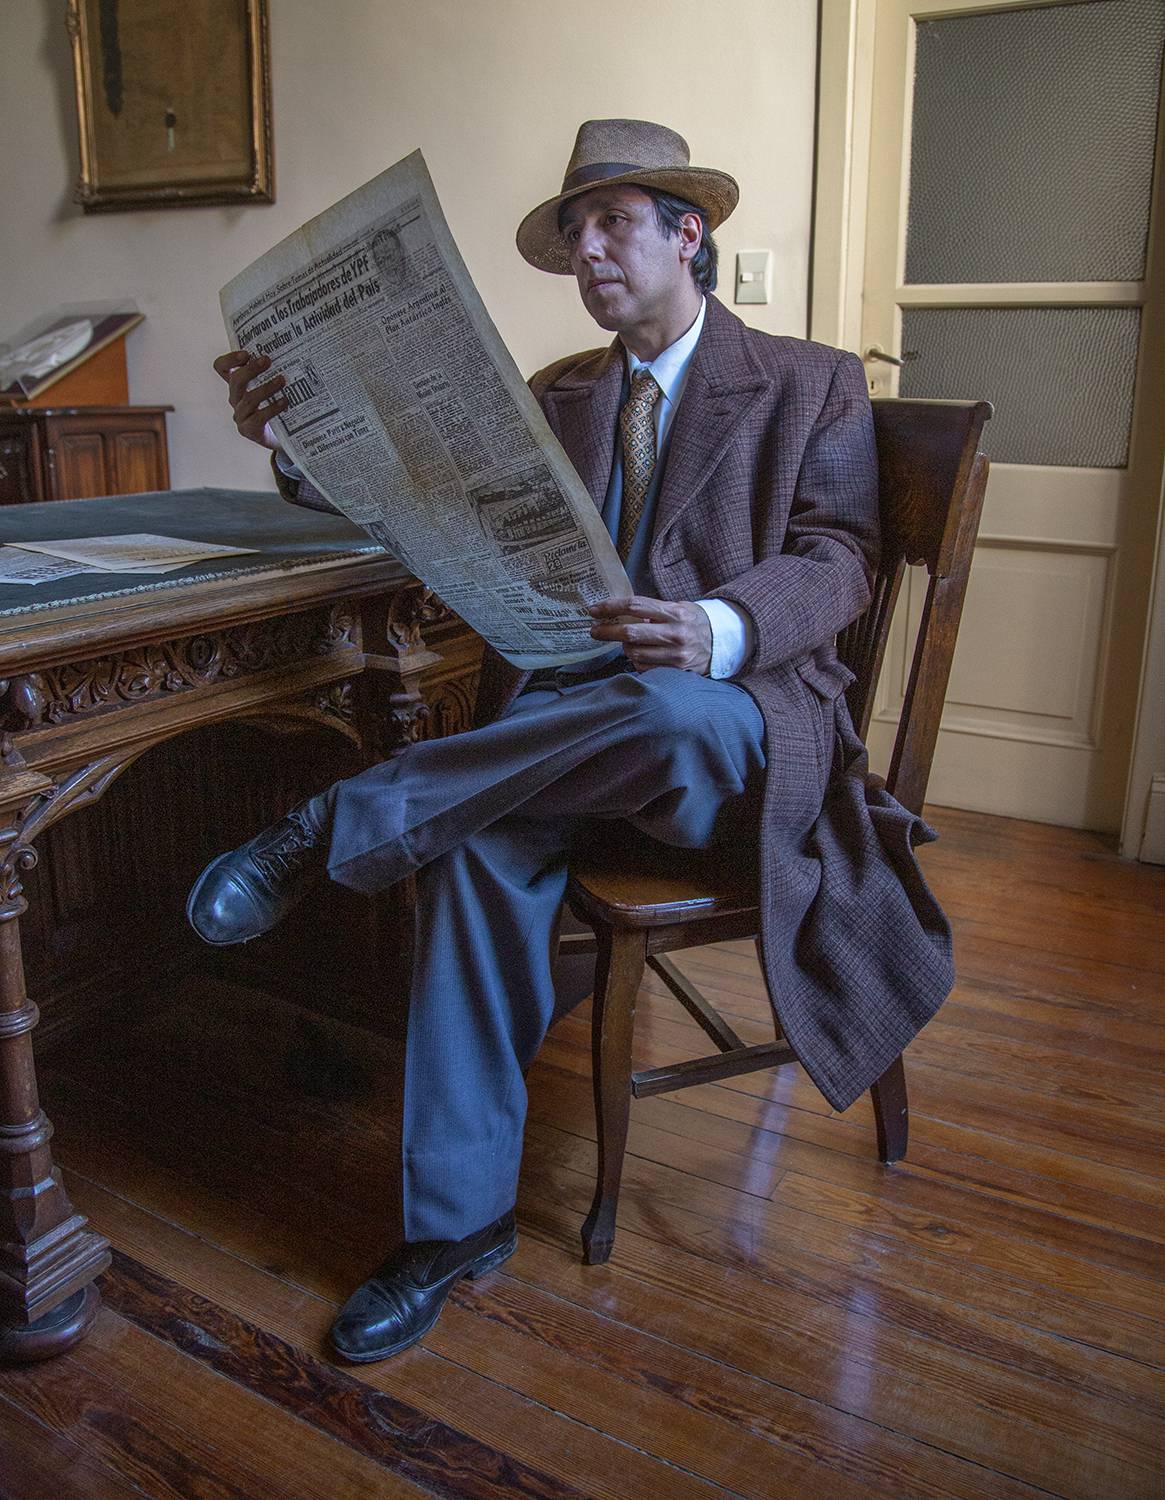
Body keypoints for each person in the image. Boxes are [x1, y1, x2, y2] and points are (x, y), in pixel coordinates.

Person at [192, 119, 953, 1364]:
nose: (587, 250)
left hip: (725, 730)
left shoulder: (809, 381)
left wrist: (714, 627)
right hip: (557, 737)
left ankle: (346, 814)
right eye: (573, 231)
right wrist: (291, 444)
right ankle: (453, 1229)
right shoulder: (560, 395)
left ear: (686, 234)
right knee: (469, 848)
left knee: (662, 710)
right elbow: (422, 498)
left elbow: (840, 560)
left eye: (612, 223)